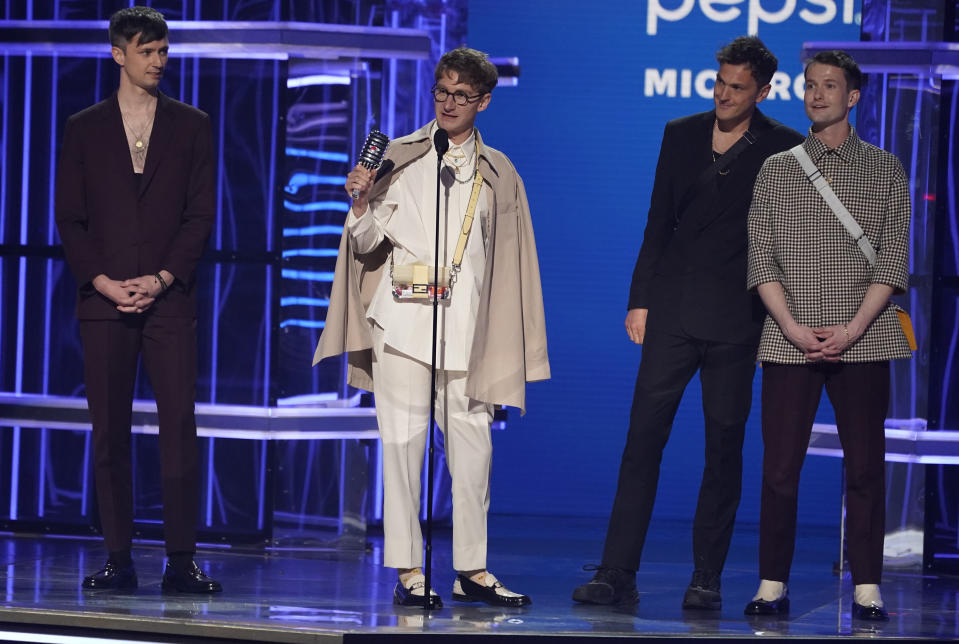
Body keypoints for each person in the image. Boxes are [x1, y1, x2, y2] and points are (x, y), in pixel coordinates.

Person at [313, 47, 549, 608]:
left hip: (467, 330)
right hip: (401, 326)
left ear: (484, 102)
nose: (448, 103)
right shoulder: (398, 158)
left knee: (472, 454)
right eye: (441, 92)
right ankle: (410, 572)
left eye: (461, 96)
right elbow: (367, 246)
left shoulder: (499, 173)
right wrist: (360, 204)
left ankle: (472, 569)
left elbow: (511, 263)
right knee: (401, 446)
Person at [572, 36, 803, 609]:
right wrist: (639, 299)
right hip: (672, 310)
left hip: (737, 319)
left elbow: (782, 245)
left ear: (764, 91)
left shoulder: (784, 148)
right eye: (720, 82)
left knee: (723, 450)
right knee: (641, 442)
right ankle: (616, 571)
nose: (724, 94)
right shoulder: (680, 133)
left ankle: (706, 577)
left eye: (737, 87)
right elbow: (658, 222)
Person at [55, 6, 220, 593]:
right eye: (146, 50)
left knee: (178, 426)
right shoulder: (84, 127)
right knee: (110, 432)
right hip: (103, 302)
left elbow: (201, 214)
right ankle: (118, 556)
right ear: (118, 54)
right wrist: (102, 282)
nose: (158, 60)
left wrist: (164, 276)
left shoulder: (192, 124)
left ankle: (181, 558)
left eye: (163, 50)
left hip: (170, 300)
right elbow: (71, 220)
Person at [743, 50, 911, 621]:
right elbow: (760, 258)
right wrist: (791, 327)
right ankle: (772, 583)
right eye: (811, 86)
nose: (817, 95)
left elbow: (892, 262)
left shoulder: (885, 169)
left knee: (865, 466)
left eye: (830, 86)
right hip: (788, 338)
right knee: (780, 468)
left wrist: (853, 328)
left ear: (853, 96)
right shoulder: (777, 169)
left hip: (864, 338)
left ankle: (867, 585)